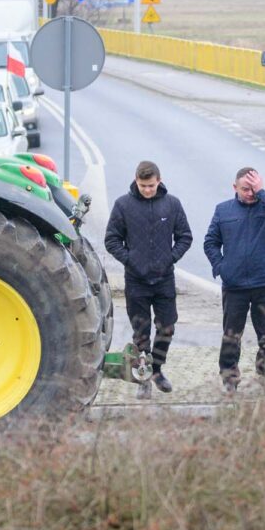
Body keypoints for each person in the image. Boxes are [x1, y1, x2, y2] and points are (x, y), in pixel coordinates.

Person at [104, 160, 193, 398]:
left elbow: (185, 237)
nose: (147, 190)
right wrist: (130, 260)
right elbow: (111, 240)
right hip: (136, 281)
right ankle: (142, 377)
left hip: (164, 279)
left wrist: (170, 258)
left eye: (151, 186)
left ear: (159, 181)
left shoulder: (172, 205)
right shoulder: (123, 205)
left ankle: (157, 370)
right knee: (141, 332)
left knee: (167, 328)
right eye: (143, 186)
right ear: (136, 181)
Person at [203, 166, 265, 394]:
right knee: (232, 335)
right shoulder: (223, 211)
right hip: (235, 286)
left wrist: (262, 193)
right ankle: (229, 379)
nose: (250, 193)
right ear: (235, 188)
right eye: (245, 189)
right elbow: (210, 242)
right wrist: (221, 267)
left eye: (253, 189)